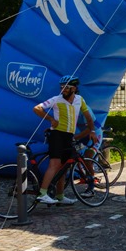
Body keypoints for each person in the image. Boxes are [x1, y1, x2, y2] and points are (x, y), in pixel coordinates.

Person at [32, 75, 94, 205]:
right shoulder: (56, 99)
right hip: (57, 135)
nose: (63, 90)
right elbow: (37, 108)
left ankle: (60, 196)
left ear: (74, 88)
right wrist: (51, 119)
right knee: (54, 165)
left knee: (64, 168)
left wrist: (91, 131)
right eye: (61, 87)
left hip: (68, 136)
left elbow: (88, 118)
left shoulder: (80, 100)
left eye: (66, 88)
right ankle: (42, 193)